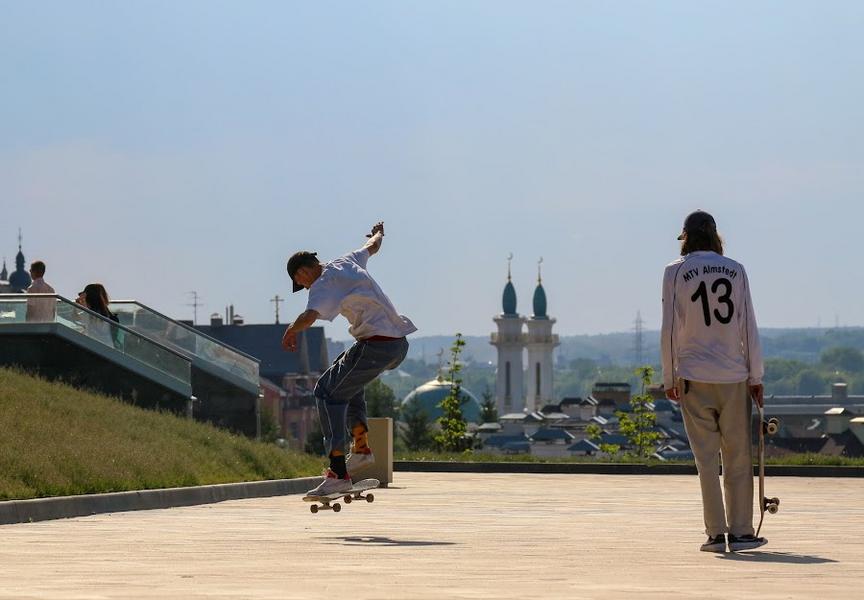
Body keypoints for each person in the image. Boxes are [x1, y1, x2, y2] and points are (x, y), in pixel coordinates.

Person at [282, 221, 416, 496]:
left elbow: (309, 316)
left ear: (303, 272)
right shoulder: (347, 260)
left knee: (328, 394)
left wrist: (291, 330)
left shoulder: (322, 285)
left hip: (376, 346)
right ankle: (361, 448)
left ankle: (338, 473)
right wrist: (378, 232)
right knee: (340, 383)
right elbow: (372, 246)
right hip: (396, 344)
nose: (304, 287)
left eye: (301, 283)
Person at [661, 210, 766, 553]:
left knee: (706, 460)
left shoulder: (675, 272)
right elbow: (748, 324)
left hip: (693, 376)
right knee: (738, 457)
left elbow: (670, 329)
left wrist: (669, 376)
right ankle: (742, 531)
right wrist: (756, 375)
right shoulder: (736, 270)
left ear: (686, 238)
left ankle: (715, 533)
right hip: (734, 375)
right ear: (715, 236)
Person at [80, 283, 123, 349]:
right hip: (107, 349)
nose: (81, 299)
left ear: (89, 298)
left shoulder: (90, 315)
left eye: (83, 297)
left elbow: (74, 318)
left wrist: (79, 307)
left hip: (94, 349)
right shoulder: (109, 316)